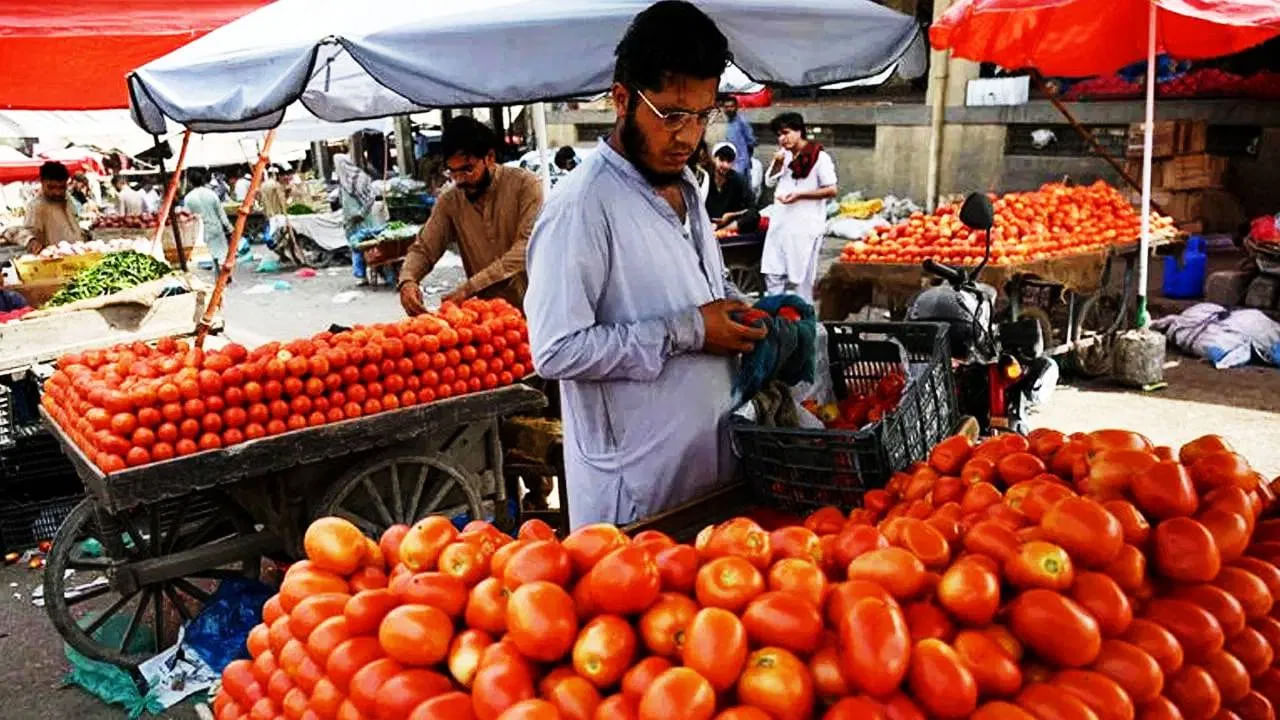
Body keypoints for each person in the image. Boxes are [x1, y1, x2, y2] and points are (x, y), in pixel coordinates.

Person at [524, 0, 768, 529]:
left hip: (711, 474)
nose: (687, 135)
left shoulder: (687, 187)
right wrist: (688, 331)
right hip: (634, 498)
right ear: (621, 100)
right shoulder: (581, 207)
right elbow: (556, 350)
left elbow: (703, 289)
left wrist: (742, 314)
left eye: (702, 115)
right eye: (671, 115)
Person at [398, 116, 543, 312]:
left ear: (489, 158)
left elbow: (526, 248)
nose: (460, 180)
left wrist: (470, 288)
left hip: (537, 309)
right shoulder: (451, 200)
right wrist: (408, 280)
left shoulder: (526, 186)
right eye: (453, 172)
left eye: (467, 169)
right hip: (488, 322)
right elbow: (424, 248)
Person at [761, 112, 838, 302]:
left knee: (801, 278)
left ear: (799, 131)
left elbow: (831, 189)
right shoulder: (784, 156)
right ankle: (776, 318)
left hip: (805, 227)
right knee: (773, 273)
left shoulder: (820, 157)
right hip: (781, 223)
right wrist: (778, 164)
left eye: (786, 133)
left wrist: (800, 195)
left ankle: (803, 322)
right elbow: (769, 182)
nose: (782, 139)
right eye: (779, 135)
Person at [334, 152, 382, 284]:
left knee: (369, 244)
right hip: (351, 220)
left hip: (364, 218)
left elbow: (370, 197)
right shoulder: (342, 181)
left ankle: (377, 270)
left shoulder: (361, 177)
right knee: (355, 246)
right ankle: (361, 276)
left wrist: (361, 213)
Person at [23, 161, 83, 253]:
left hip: (78, 257)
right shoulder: (36, 207)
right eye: (51, 187)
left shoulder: (67, 199)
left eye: (62, 187)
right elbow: (29, 234)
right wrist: (32, 241)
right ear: (42, 182)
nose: (57, 192)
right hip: (54, 261)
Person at [183, 167, 234, 267]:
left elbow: (186, 217)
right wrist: (230, 229)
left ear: (190, 182)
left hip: (200, 233)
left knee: (208, 258)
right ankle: (222, 278)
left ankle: (217, 279)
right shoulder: (212, 194)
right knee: (221, 258)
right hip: (216, 229)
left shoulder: (188, 198)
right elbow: (221, 214)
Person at [705, 142, 751, 228]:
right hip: (705, 222)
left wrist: (729, 216)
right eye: (722, 160)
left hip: (729, 224)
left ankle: (721, 232)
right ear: (714, 159)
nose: (725, 165)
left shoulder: (738, 180)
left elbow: (750, 207)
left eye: (729, 161)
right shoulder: (705, 178)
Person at [720, 94, 756, 193]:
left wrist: (746, 158)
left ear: (736, 107)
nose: (729, 109)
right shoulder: (724, 123)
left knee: (743, 189)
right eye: (726, 107)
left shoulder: (742, 122)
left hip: (741, 162)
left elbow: (751, 141)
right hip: (728, 161)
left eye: (731, 106)